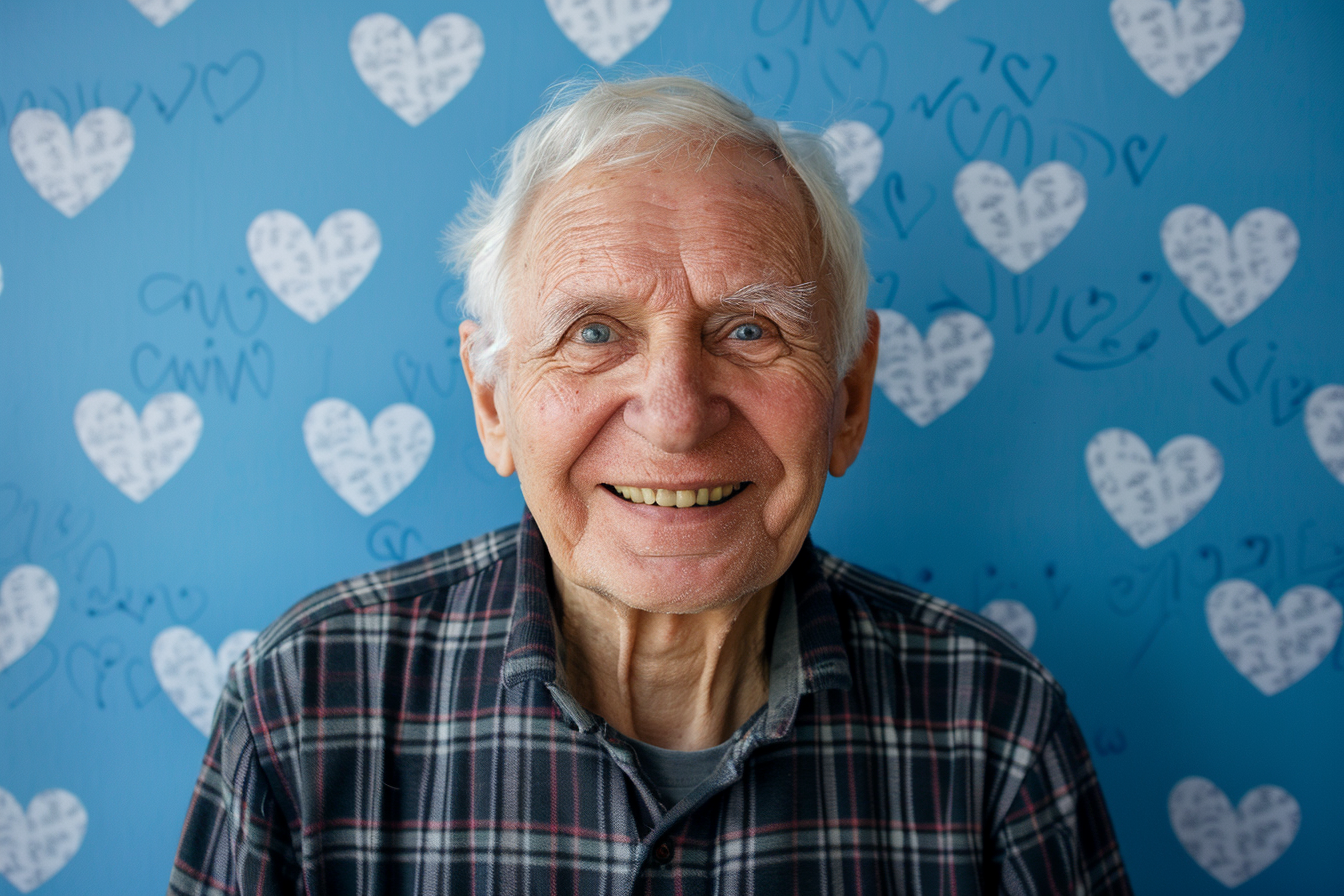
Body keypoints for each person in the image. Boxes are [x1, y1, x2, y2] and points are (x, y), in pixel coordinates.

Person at [169, 74, 1131, 895]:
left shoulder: (996, 726)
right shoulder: (305, 701)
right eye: (594, 333)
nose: (675, 414)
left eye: (749, 330)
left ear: (847, 399)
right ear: (494, 402)